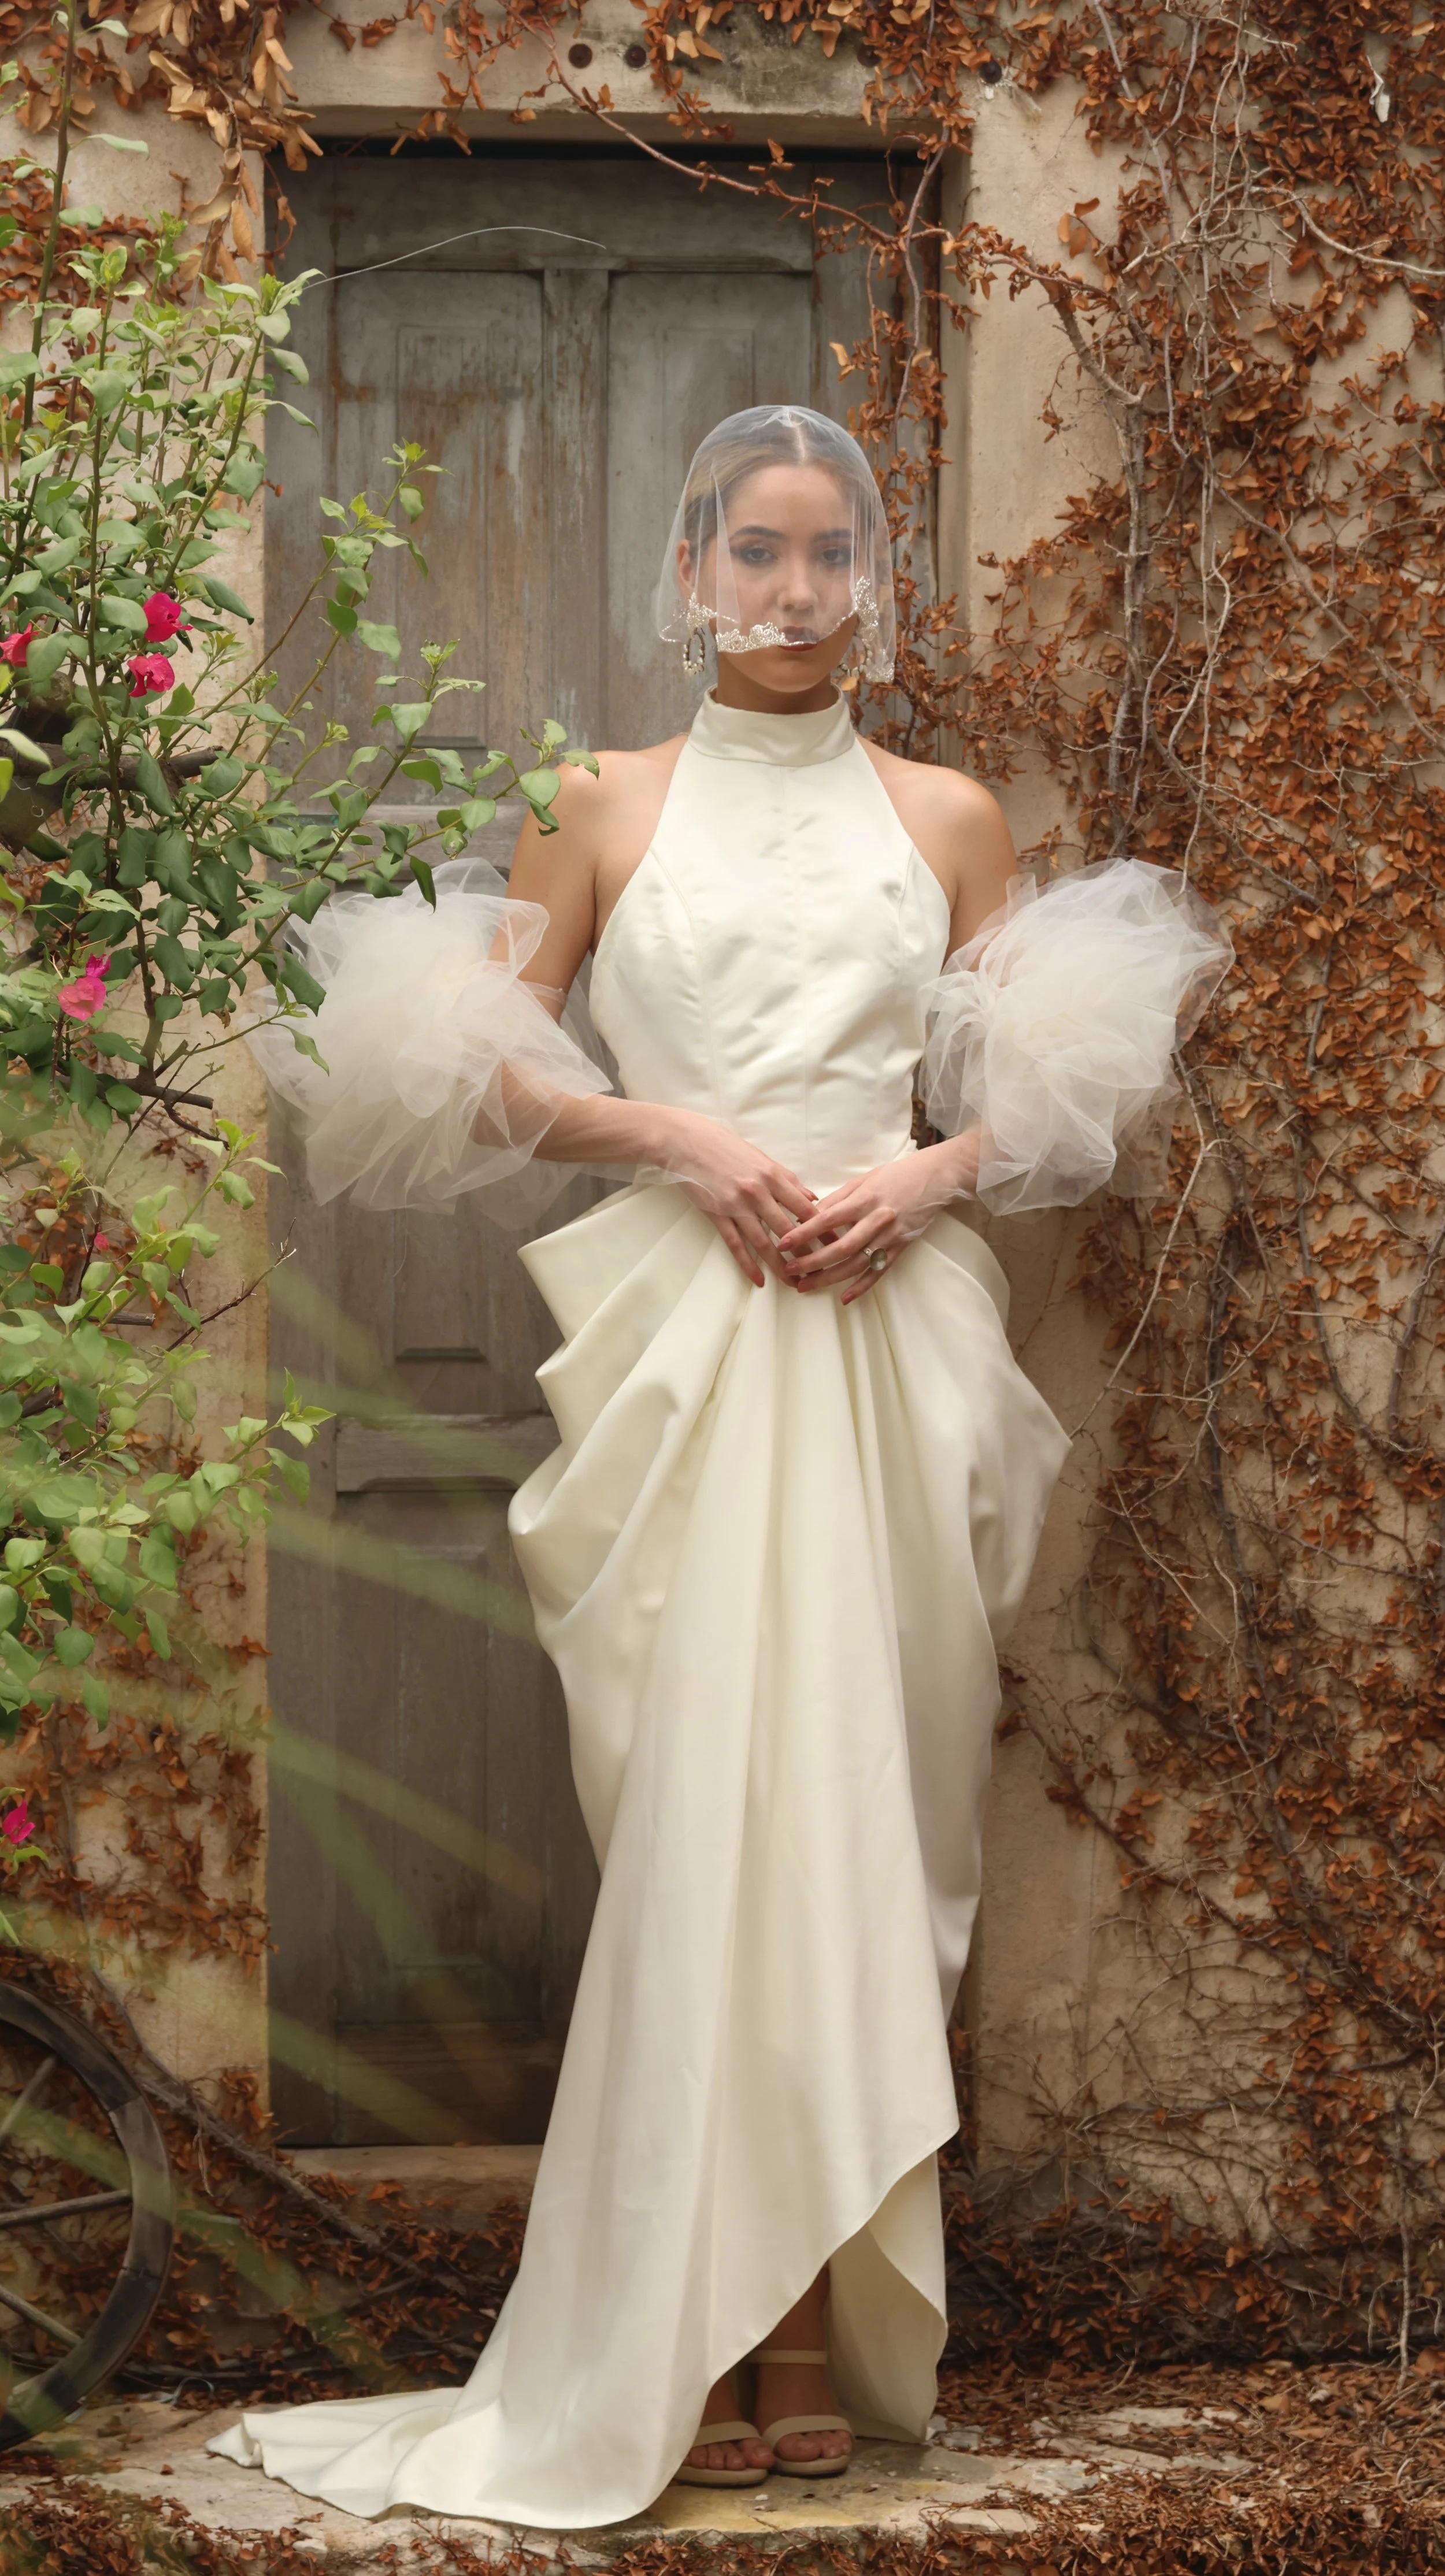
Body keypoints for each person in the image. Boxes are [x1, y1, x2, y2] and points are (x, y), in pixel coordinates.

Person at [212, 405, 1230, 2527]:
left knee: (862, 1812)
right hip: (684, 1354)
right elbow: (474, 1061)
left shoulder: (944, 817)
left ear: (878, 578)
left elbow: (1029, 1103)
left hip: (885, 1355)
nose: (790, 592)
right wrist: (683, 1138)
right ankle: (704, 2330)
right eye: (750, 554)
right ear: (686, 574)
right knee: (702, 1824)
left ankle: (796, 2330)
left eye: (828, 554)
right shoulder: (598, 803)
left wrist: (918, 1179)